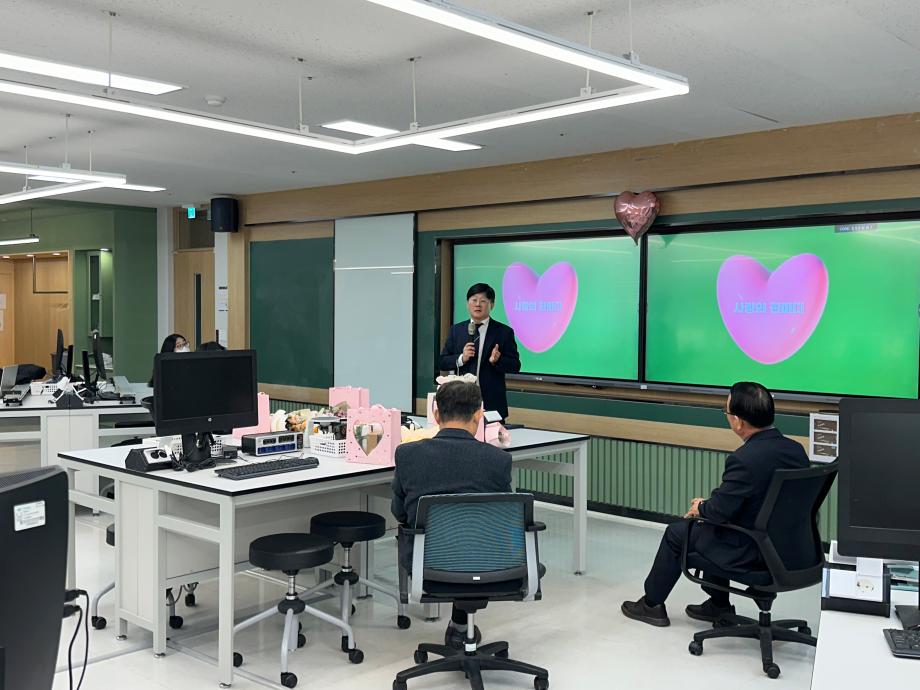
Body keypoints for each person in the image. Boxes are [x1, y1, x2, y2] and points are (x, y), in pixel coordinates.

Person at [621, 382, 809, 627]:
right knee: (709, 528)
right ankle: (718, 606)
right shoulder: (796, 450)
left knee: (678, 533)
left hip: (751, 552)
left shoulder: (744, 459)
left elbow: (719, 511)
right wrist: (708, 507)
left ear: (738, 421)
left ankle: (651, 604)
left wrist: (700, 507)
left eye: (726, 411)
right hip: (790, 549)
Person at [391, 380, 512, 648]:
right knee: (470, 542)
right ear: (479, 415)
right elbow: (503, 518)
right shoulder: (499, 461)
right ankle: (460, 627)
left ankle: (459, 627)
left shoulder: (408, 455)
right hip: (489, 562)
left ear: (436, 415)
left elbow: (399, 513)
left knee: (453, 545)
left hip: (427, 562)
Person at [438, 283, 521, 420]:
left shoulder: (503, 332)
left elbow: (515, 366)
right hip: (460, 402)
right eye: (474, 300)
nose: (478, 304)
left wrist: (497, 360)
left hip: (491, 403)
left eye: (483, 301)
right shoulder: (456, 330)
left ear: (491, 305)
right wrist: (461, 358)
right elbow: (442, 362)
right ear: (467, 304)